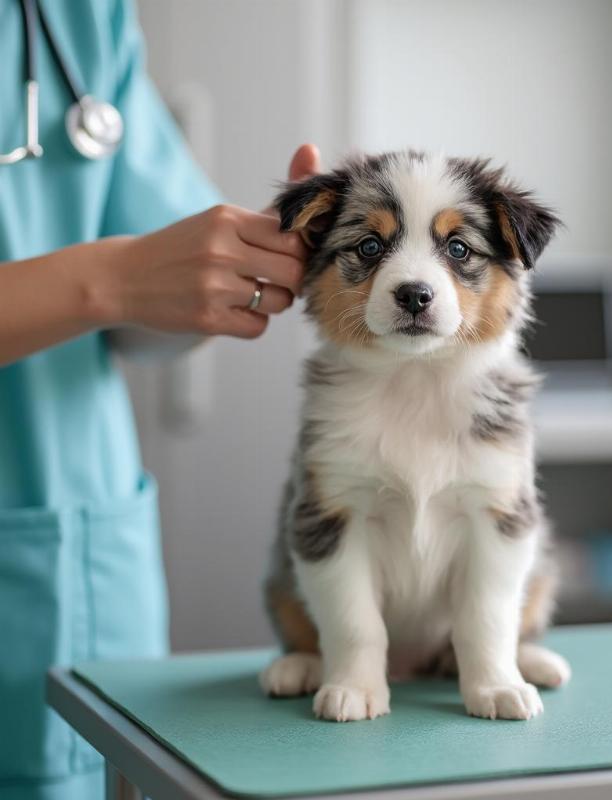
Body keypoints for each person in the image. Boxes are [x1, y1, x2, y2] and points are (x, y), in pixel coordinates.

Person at [0, 1, 320, 798]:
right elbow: (114, 278)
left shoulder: (75, 18)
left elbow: (141, 316)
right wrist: (112, 279)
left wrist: (223, 280)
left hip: (64, 576)